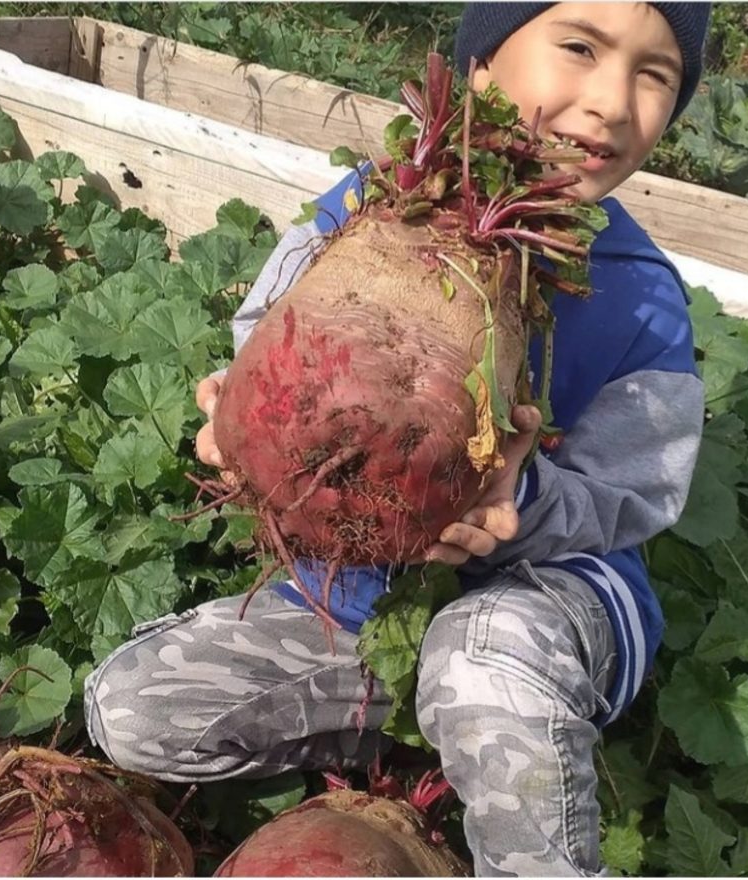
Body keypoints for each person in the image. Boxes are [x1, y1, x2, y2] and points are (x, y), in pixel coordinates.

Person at [84, 3, 710, 875]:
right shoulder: (361, 212)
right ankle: (458, 747)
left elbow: (637, 493)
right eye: (578, 48)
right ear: (481, 69)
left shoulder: (642, 298)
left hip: (547, 606)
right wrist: (251, 414)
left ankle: (526, 803)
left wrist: (522, 504)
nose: (612, 100)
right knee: (136, 705)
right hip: (364, 605)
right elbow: (272, 330)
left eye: (656, 75)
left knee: (481, 658)